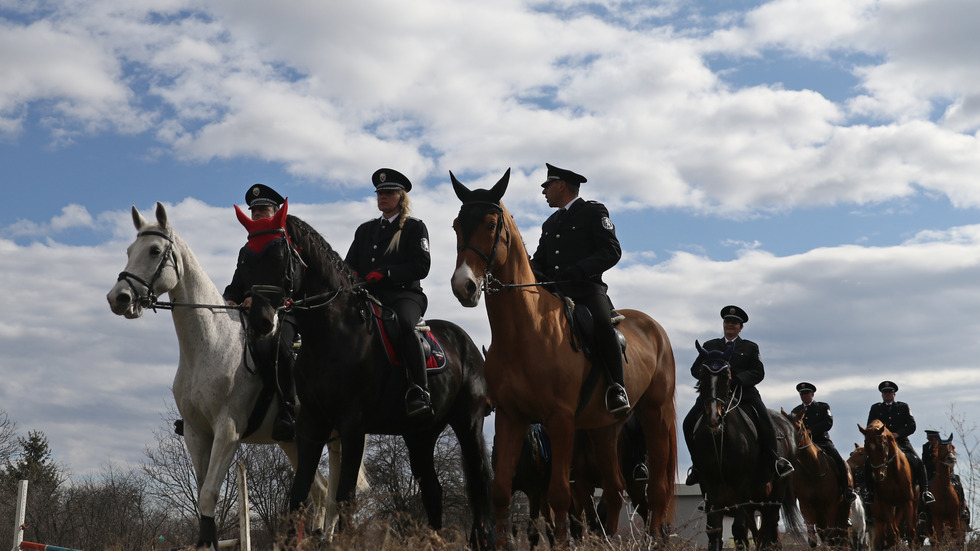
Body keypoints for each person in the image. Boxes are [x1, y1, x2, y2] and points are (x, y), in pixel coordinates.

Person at [529, 163, 629, 417]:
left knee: (602, 325)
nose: (544, 192)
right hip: (554, 293)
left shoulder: (593, 212)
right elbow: (540, 261)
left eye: (547, 186)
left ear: (561, 185)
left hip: (587, 289)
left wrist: (579, 270)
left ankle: (617, 387)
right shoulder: (550, 223)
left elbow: (611, 251)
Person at [345, 168, 433, 419]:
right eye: (379, 193)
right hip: (368, 295)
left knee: (405, 325)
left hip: (404, 295)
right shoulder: (365, 230)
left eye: (388, 192)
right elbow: (349, 265)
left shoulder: (415, 228)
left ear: (400, 197)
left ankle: (419, 389)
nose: (382, 196)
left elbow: (421, 266)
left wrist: (387, 273)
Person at [683, 305, 794, 486]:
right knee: (688, 422)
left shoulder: (750, 347)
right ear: (723, 324)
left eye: (734, 323)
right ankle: (696, 466)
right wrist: (709, 372)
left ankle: (775, 461)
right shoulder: (710, 346)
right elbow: (695, 369)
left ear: (740, 327)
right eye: (727, 321)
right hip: (713, 394)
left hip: (745, 394)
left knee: (766, 422)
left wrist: (737, 378)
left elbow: (758, 373)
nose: (730, 325)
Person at [223, 183, 297, 441]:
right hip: (248, 314)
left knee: (278, 351)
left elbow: (289, 286)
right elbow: (235, 286)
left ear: (276, 211)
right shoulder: (247, 249)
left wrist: (258, 300)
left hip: (283, 311)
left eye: (263, 210)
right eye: (254, 212)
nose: (257, 215)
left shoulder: (287, 244)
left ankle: (288, 410)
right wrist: (230, 300)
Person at [864, 381, 935, 505]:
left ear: (894, 394)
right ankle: (869, 492)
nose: (887, 395)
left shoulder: (903, 407)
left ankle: (925, 492)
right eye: (885, 393)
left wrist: (898, 434)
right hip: (882, 444)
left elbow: (912, 425)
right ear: (882, 394)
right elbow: (870, 426)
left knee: (917, 461)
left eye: (889, 392)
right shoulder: (876, 408)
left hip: (901, 441)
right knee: (868, 463)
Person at [791, 382, 856, 503]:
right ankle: (790, 493)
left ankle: (846, 489)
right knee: (790, 463)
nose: (804, 396)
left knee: (838, 460)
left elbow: (828, 423)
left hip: (822, 441)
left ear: (812, 394)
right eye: (802, 394)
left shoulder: (822, 407)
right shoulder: (796, 411)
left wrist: (811, 430)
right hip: (802, 444)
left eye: (807, 393)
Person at [922, 429, 970, 527]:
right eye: (929, 439)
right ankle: (923, 513)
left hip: (948, 474)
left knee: (958, 485)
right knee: (923, 489)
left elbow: (952, 461)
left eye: (932, 439)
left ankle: (963, 509)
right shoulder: (926, 447)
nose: (931, 441)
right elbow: (925, 462)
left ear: (937, 439)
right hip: (931, 475)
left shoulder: (945, 447)